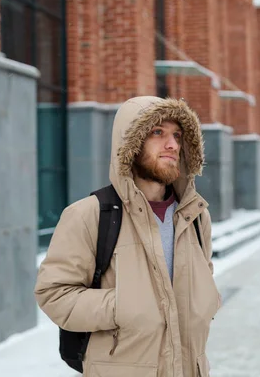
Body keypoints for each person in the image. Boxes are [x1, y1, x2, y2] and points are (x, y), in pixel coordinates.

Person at [35, 96, 221, 377]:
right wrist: (123, 305)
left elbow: (203, 278)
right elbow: (54, 294)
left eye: (177, 136)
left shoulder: (195, 216)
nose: (172, 144)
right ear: (130, 145)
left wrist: (206, 301)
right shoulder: (90, 215)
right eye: (158, 133)